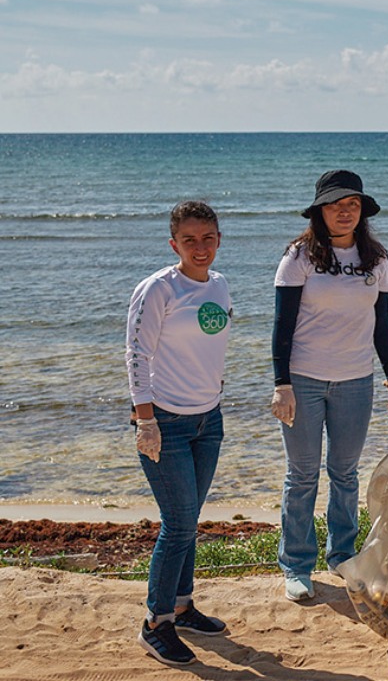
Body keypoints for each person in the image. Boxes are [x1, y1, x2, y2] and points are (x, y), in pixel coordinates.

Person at [270, 169, 388, 602]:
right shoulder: (299, 257)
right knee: (303, 475)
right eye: (335, 205)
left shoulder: (376, 260)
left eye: (352, 205)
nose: (344, 212)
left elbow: (381, 325)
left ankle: (343, 555)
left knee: (345, 474)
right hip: (305, 381)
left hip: (355, 382)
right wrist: (282, 384)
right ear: (320, 211)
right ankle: (296, 564)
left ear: (362, 211)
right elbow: (282, 326)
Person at [126, 200, 232, 666]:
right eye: (189, 240)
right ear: (174, 244)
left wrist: (216, 390)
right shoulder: (157, 290)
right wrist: (145, 419)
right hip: (165, 421)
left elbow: (210, 347)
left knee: (191, 518)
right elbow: (135, 354)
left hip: (208, 420)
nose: (200, 247)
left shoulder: (221, 286)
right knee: (179, 523)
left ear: (219, 240)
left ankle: (183, 607)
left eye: (207, 238)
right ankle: (155, 623)